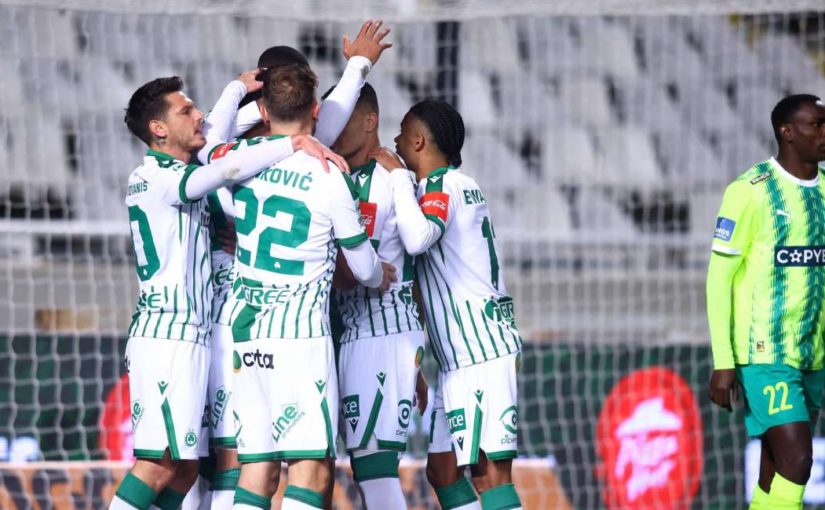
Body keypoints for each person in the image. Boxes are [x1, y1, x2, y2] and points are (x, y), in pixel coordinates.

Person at [110, 74, 345, 510]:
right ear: (158, 129)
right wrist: (291, 142)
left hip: (190, 337)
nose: (197, 115)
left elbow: (214, 139)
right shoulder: (157, 177)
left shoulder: (175, 171)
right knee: (157, 466)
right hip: (167, 335)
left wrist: (243, 92)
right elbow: (224, 167)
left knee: (184, 470)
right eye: (185, 110)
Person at [196, 21, 392, 510]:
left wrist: (237, 90)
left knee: (255, 470)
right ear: (315, 109)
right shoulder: (329, 175)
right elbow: (364, 270)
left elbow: (207, 145)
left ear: (263, 108)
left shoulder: (240, 159)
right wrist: (379, 273)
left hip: (245, 329)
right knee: (311, 469)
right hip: (299, 336)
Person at [370, 100, 523, 510]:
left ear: (419, 141)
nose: (396, 141)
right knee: (442, 470)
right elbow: (424, 283)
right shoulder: (444, 187)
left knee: (489, 475)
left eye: (402, 133)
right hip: (457, 358)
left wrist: (397, 177)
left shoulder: (442, 185)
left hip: (481, 350)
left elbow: (418, 238)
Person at [707, 94, 825, 510]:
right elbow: (718, 279)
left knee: (775, 465)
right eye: (816, 125)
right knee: (798, 460)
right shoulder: (750, 191)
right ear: (787, 132)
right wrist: (724, 361)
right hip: (763, 352)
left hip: (812, 352)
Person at [327, 82, 427, 509]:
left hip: (380, 335)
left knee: (375, 469)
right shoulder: (345, 177)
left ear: (370, 121)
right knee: (363, 465)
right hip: (362, 335)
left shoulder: (382, 179)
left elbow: (356, 272)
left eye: (345, 119)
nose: (333, 129)